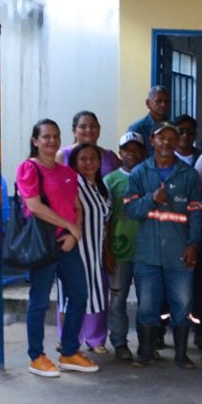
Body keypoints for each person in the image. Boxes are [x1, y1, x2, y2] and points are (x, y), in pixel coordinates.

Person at [16, 120, 99, 378]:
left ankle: (69, 351)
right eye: (46, 137)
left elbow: (77, 206)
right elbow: (35, 206)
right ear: (35, 141)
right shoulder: (29, 168)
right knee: (39, 301)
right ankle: (36, 356)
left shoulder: (67, 172)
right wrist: (71, 228)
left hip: (67, 243)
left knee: (79, 294)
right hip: (43, 242)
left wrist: (75, 233)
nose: (51, 141)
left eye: (55, 136)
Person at [124, 121, 202, 368]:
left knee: (182, 304)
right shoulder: (139, 173)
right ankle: (146, 351)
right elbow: (130, 208)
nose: (166, 142)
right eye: (161, 138)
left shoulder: (189, 175)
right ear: (152, 141)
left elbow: (197, 214)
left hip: (179, 252)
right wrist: (150, 199)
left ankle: (181, 354)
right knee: (147, 304)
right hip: (147, 252)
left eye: (172, 138)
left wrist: (194, 245)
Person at [60, 144, 113, 355]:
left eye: (93, 158)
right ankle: (69, 343)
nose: (89, 163)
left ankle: (92, 340)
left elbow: (107, 222)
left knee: (96, 295)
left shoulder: (102, 187)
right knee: (72, 297)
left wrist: (107, 251)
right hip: (75, 250)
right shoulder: (71, 184)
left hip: (96, 250)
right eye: (83, 159)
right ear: (74, 162)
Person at [103, 131, 147, 362]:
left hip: (146, 250)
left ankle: (146, 343)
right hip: (119, 250)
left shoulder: (150, 177)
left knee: (147, 299)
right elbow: (106, 219)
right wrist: (107, 250)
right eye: (127, 150)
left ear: (143, 152)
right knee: (118, 299)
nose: (132, 154)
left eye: (136, 149)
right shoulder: (110, 180)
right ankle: (119, 342)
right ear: (120, 154)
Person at [58, 111, 119, 176]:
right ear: (74, 131)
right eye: (83, 127)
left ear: (99, 129)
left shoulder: (110, 157)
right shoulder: (62, 156)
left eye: (93, 126)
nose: (88, 130)